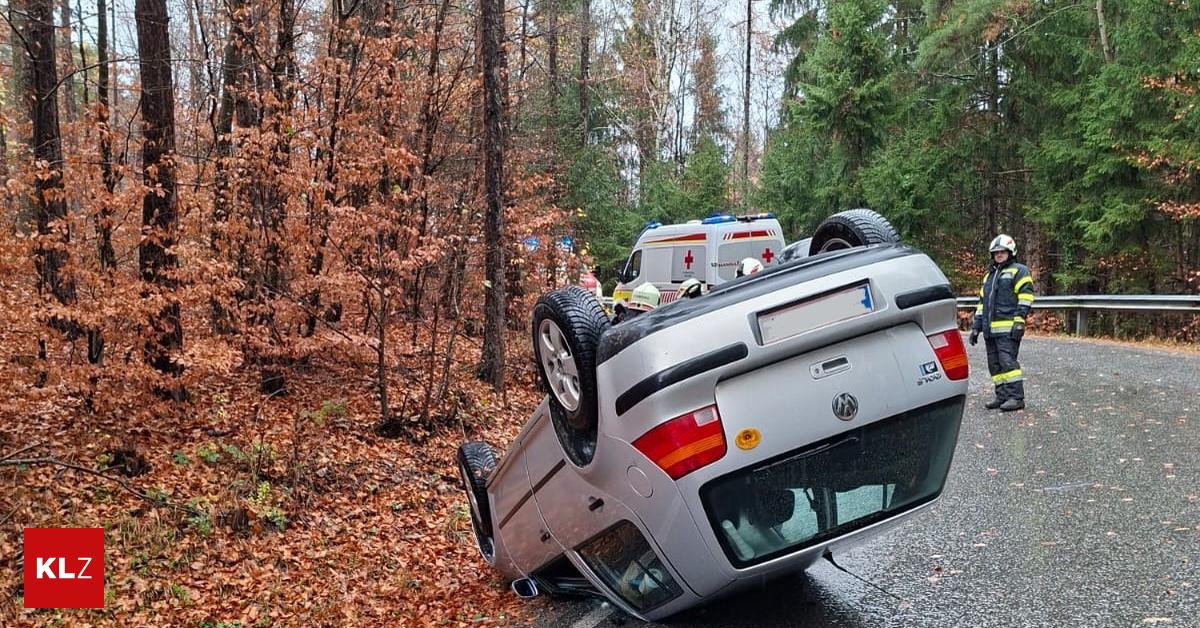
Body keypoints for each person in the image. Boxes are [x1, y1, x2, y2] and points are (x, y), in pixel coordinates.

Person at [969, 234, 1036, 411]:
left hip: (1009, 328)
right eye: (996, 252)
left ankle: (1016, 398)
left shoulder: (1019, 270)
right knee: (994, 364)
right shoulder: (988, 276)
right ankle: (1002, 396)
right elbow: (982, 303)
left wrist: (1019, 320)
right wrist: (976, 327)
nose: (999, 255)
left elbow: (1026, 296)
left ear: (1010, 252)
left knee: (1008, 363)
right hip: (990, 330)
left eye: (1002, 252)